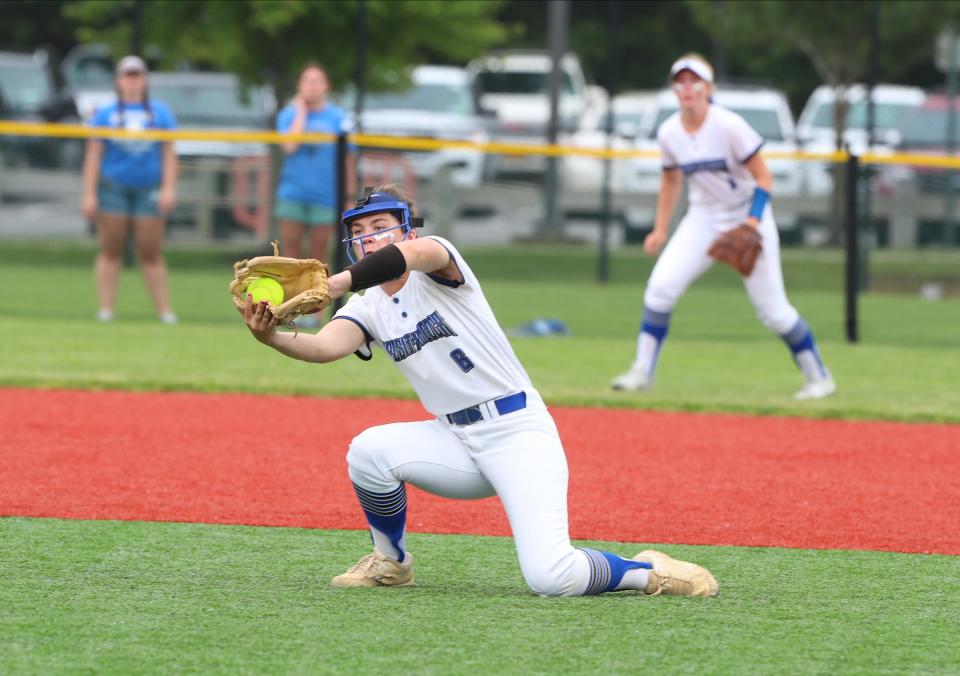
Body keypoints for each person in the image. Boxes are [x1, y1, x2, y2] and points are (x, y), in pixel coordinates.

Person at [241, 184, 719, 598]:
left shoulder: (436, 258)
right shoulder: (370, 306)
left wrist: (335, 284)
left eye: (381, 226)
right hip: (455, 441)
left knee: (552, 576)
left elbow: (410, 257)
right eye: (360, 231)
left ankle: (647, 572)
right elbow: (325, 346)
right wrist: (271, 338)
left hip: (518, 433)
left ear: (407, 229)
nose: (370, 238)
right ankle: (391, 562)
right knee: (367, 451)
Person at [611, 54, 836, 400]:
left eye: (694, 80)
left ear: (708, 88)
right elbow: (670, 181)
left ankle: (818, 376)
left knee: (773, 312)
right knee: (660, 288)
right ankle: (641, 371)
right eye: (680, 81)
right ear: (674, 88)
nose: (687, 88)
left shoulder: (728, 126)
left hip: (747, 216)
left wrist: (752, 222)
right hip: (702, 218)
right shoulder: (669, 131)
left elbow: (764, 177)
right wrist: (660, 229)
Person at [82, 54, 179, 324]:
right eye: (128, 76)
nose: (133, 81)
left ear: (145, 81)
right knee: (111, 248)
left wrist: (169, 188)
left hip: (148, 187)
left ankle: (164, 311)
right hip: (113, 187)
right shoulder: (106, 113)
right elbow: (93, 156)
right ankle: (106, 308)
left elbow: (170, 154)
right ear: (119, 81)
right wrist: (89, 193)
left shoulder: (160, 112)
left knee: (150, 250)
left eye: (137, 76)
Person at [274, 63, 352, 263]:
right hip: (293, 193)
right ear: (300, 86)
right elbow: (290, 147)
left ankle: (320, 295)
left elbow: (349, 160)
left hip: (326, 195)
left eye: (317, 82)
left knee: (319, 255)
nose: (312, 86)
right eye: (308, 81)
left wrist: (349, 195)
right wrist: (301, 111)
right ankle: (293, 295)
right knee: (290, 254)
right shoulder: (288, 115)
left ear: (327, 86)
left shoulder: (338, 117)